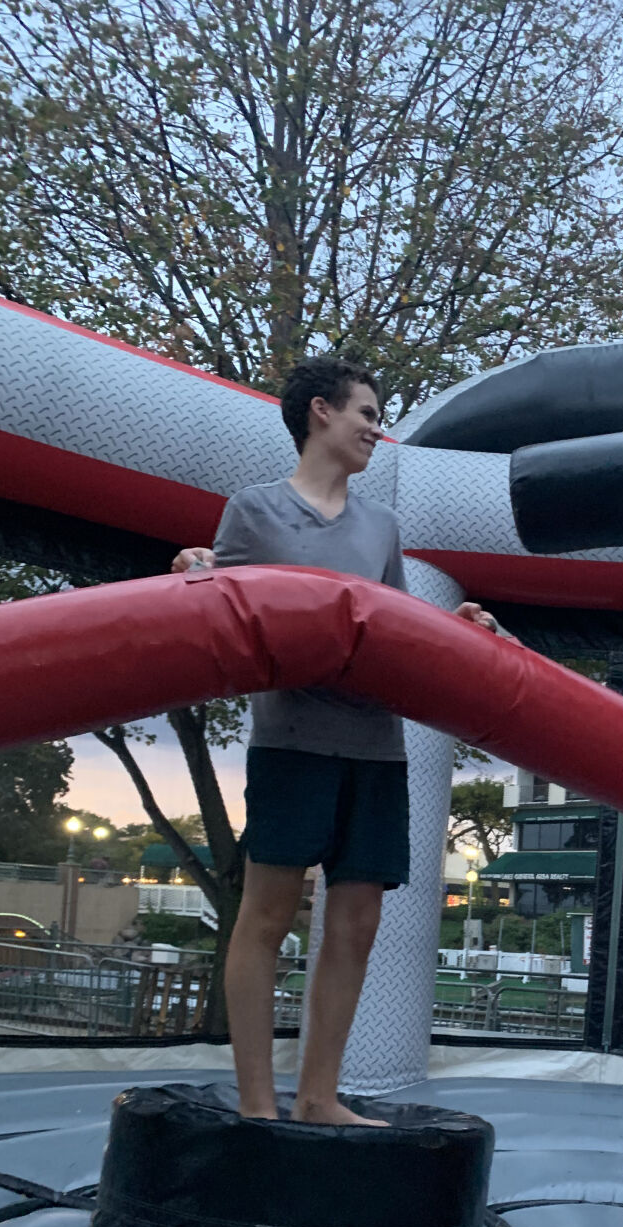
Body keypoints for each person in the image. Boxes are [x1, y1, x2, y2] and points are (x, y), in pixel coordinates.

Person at [173, 356, 501, 1124]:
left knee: (356, 923)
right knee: (267, 915)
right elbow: (228, 608)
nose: (375, 430)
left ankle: (319, 1095)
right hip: (292, 740)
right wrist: (196, 565)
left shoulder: (380, 526)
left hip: (376, 746)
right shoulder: (253, 511)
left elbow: (393, 631)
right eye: (366, 413)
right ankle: (258, 1101)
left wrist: (454, 629)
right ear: (320, 411)